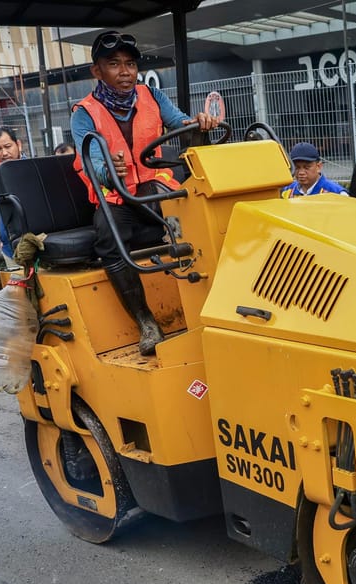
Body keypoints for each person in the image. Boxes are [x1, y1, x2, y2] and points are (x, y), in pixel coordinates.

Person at [71, 30, 220, 356]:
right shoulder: (84, 112)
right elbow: (90, 158)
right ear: (97, 71)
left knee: (196, 216)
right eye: (114, 64)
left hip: (154, 188)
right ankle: (147, 322)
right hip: (116, 196)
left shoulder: (152, 96)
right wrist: (109, 171)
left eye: (130, 64)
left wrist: (199, 124)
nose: (125, 71)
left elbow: (181, 124)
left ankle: (213, 306)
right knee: (109, 237)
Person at [0, 127, 26, 263]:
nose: (4, 153)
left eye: (8, 146)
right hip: (9, 249)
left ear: (18, 144)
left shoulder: (32, 169)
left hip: (32, 246)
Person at [280, 142, 347, 198]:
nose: (301, 172)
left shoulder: (336, 193)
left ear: (318, 167)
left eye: (307, 167)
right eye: (297, 168)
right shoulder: (287, 191)